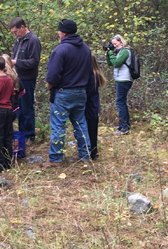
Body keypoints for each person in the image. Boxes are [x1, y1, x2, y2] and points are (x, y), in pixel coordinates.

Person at [45, 19, 93, 167]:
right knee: (81, 124)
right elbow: (90, 73)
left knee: (58, 126)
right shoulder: (85, 49)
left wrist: (49, 86)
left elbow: (53, 75)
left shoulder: (60, 50)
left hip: (63, 94)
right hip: (81, 92)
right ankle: (85, 156)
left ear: (63, 33)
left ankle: (55, 159)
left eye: (59, 31)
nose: (58, 34)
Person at [10, 17, 42, 145]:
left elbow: (34, 61)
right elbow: (14, 56)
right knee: (19, 108)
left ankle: (30, 135)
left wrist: (16, 62)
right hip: (17, 77)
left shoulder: (33, 41)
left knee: (27, 107)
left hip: (27, 79)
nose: (14, 34)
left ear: (23, 27)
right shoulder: (18, 41)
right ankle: (22, 134)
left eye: (16, 31)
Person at [106, 34, 133, 135]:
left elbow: (117, 63)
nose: (114, 45)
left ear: (121, 42)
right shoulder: (119, 52)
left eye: (115, 43)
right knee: (122, 102)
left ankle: (123, 128)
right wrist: (108, 53)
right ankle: (124, 125)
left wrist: (111, 54)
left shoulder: (125, 51)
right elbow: (111, 63)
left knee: (120, 102)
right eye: (112, 44)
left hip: (124, 80)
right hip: (121, 79)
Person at [86, 56, 107, 160]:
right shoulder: (97, 74)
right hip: (94, 107)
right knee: (92, 130)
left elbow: (88, 92)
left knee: (89, 130)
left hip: (89, 107)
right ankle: (93, 151)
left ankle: (91, 152)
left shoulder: (91, 75)